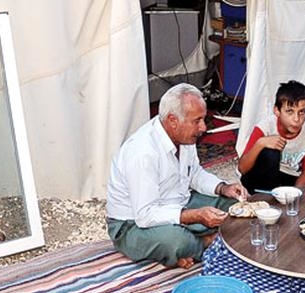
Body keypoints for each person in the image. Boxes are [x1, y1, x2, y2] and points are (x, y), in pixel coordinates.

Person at [106, 83, 249, 269]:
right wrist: (195, 216)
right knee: (177, 241)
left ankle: (187, 249)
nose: (203, 127)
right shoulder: (142, 152)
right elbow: (145, 215)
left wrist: (224, 188)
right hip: (132, 225)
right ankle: (204, 242)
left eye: (203, 119)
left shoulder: (186, 138)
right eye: (197, 121)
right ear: (173, 120)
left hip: (178, 203)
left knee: (236, 206)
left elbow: (194, 174)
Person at [238, 80, 305, 192]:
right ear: (277, 111)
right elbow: (242, 169)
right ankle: (265, 199)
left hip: (288, 180)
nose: (296, 119)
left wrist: (294, 194)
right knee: (271, 154)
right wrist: (261, 143)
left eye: (301, 112)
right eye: (289, 111)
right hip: (259, 180)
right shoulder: (265, 128)